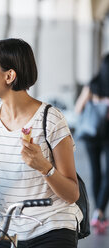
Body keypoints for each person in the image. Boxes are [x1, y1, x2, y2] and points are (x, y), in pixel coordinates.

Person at [0, 38, 83, 247]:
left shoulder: (50, 119)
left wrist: (44, 167)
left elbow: (72, 194)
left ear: (9, 75)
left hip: (53, 226)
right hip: (10, 230)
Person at [75, 53, 109, 234]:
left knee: (96, 172)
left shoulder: (92, 85)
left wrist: (94, 102)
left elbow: (78, 108)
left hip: (91, 134)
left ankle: (98, 211)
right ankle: (100, 212)